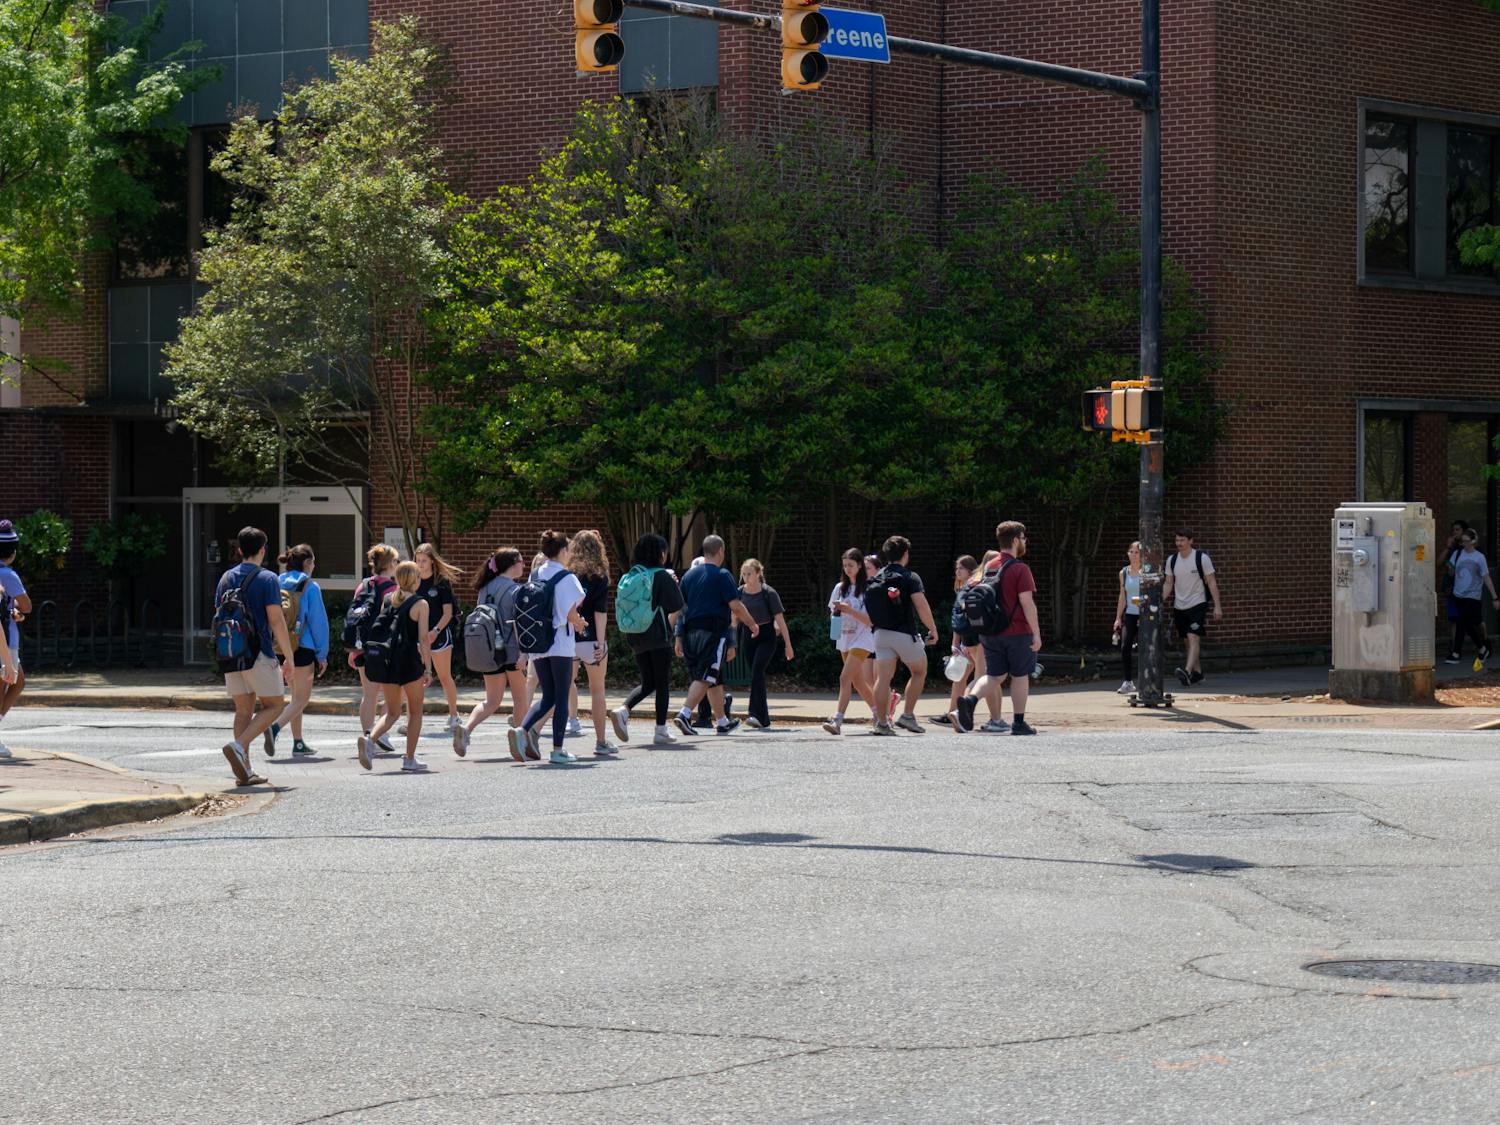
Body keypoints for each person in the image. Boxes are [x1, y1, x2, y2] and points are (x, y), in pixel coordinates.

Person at [215, 526, 294, 786]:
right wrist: (288, 658)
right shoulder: (268, 578)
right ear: (262, 550)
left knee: (243, 710)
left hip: (231, 652)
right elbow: (276, 620)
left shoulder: (226, 577)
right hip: (258, 652)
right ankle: (240, 746)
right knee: (275, 705)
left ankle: (245, 771)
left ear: (239, 550)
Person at [950, 521, 1042, 737]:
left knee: (994, 675)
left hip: (990, 631)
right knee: (1020, 675)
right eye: (1024, 537)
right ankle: (1019, 723)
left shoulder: (988, 567)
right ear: (1016, 540)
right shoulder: (1020, 568)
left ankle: (970, 701)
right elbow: (1027, 603)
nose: (1025, 541)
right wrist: (1036, 633)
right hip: (1017, 631)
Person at [510, 530, 588, 765]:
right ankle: (557, 749)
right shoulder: (567, 578)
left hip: (538, 643)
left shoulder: (535, 574)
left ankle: (521, 729)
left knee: (548, 696)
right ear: (563, 551)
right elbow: (570, 612)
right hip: (561, 644)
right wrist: (580, 623)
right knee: (560, 697)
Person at [672, 535, 759, 737]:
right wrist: (752, 623)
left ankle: (722, 721)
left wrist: (677, 637)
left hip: (690, 633)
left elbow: (679, 609)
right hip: (712, 633)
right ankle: (684, 714)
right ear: (720, 551)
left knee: (715, 678)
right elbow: (735, 605)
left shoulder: (689, 576)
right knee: (706, 675)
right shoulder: (722, 575)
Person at [454, 547, 530, 756]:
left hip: (489, 650)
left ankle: (466, 729)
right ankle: (519, 740)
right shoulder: (516, 590)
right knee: (520, 700)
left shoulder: (484, 588)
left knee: (491, 700)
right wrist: (525, 653)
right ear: (512, 565)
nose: (524, 564)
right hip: (512, 651)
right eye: (522, 561)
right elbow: (518, 625)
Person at [358, 561, 433, 772]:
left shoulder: (388, 599)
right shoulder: (421, 604)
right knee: (415, 712)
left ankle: (370, 740)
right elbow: (424, 639)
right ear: (415, 579)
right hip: (409, 662)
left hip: (387, 661)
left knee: (391, 712)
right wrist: (428, 668)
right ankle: (409, 759)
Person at [614, 533, 687, 746]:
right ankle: (661, 730)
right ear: (658, 553)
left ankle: (624, 709)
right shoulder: (660, 575)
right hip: (657, 635)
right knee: (662, 683)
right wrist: (672, 582)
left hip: (636, 636)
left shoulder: (632, 575)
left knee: (649, 682)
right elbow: (676, 605)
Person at [867, 535, 939, 735]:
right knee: (919, 671)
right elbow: (921, 606)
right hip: (904, 633)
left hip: (880, 633)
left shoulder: (876, 577)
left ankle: (881, 723)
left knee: (883, 678)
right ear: (905, 554)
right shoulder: (910, 577)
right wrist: (932, 628)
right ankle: (907, 715)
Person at [268, 544, 329, 756]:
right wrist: (322, 654)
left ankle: (298, 742)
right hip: (303, 647)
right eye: (313, 561)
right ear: (307, 563)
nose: (314, 566)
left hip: (281, 646)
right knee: (302, 699)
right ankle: (274, 728)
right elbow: (318, 622)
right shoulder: (310, 587)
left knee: (295, 697)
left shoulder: (276, 582)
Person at [569, 528, 620, 757]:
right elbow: (600, 612)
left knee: (560, 690)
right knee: (597, 691)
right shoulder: (600, 577)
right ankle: (600, 742)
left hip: (568, 639)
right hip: (590, 640)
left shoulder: (567, 575)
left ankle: (536, 734)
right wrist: (600, 642)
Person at [350, 544, 401, 757]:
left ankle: (368, 733)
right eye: (396, 562)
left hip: (362, 647)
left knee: (369, 695)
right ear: (390, 564)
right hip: (384, 649)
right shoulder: (392, 589)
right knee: (397, 694)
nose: (398, 565)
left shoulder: (363, 586)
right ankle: (377, 734)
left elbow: (355, 617)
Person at [822, 548, 879, 735]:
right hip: (844, 636)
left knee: (844, 678)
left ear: (860, 566)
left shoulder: (869, 588)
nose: (848, 569)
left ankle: (837, 720)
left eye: (851, 565)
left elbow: (870, 620)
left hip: (863, 637)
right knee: (858, 681)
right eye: (845, 565)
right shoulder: (840, 588)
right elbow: (832, 612)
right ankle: (880, 715)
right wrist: (836, 613)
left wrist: (849, 610)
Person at [737, 558, 794, 730]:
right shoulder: (740, 592)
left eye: (750, 574)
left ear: (758, 574)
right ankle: (763, 718)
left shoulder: (768, 593)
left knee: (756, 672)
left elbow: (781, 621)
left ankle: (754, 713)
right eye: (744, 574)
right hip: (748, 635)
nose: (746, 578)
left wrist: (788, 645)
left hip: (766, 635)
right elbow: (733, 617)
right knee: (757, 676)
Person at [1163, 529, 1222, 687]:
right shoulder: (1172, 560)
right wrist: (1159, 600)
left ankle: (1187, 672)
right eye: (1177, 541)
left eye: (1182, 540)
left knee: (1193, 636)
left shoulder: (1201, 558)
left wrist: (1217, 606)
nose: (1179, 544)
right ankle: (1198, 674)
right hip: (1180, 605)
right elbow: (1169, 583)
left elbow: (1211, 582)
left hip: (1198, 603)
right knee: (1188, 642)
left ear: (1191, 541)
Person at [414, 542, 463, 732]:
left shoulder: (441, 581)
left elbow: (448, 613)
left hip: (439, 636)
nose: (420, 564)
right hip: (419, 638)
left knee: (444, 676)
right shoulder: (414, 580)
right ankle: (412, 717)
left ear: (432, 561)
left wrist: (435, 631)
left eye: (424, 560)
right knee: (416, 678)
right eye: (418, 560)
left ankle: (453, 715)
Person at [935, 555, 981, 727]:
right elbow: (957, 621)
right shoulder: (962, 589)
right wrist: (955, 643)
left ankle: (959, 712)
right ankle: (955, 712)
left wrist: (957, 642)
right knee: (963, 677)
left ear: (970, 570)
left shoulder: (972, 588)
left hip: (973, 641)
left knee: (982, 677)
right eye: (956, 568)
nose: (957, 571)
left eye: (961, 568)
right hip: (966, 641)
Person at [0, 520, 31, 758]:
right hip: (6, 638)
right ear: (12, 553)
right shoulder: (9, 575)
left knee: (16, 682)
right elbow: (27, 606)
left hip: (7, 632)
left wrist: (11, 611)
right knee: (8, 683)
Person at [1448, 529, 1497, 664]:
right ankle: (1481, 648)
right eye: (1462, 541)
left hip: (1473, 595)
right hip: (1458, 594)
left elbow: (1486, 577)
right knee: (1464, 623)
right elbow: (1451, 571)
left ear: (1473, 541)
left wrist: (1494, 597)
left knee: (1463, 620)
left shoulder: (1479, 557)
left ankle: (1456, 653)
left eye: (1466, 541)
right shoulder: (1457, 553)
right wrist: (1451, 569)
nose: (1463, 543)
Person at [1112, 541, 1143, 695]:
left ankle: (1146, 679)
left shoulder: (1147, 572)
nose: (1134, 555)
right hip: (1130, 614)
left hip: (1145, 615)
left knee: (1145, 648)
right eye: (1131, 551)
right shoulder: (1123, 573)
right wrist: (1118, 617)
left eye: (1137, 552)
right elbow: (1123, 596)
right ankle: (1128, 681)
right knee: (1125, 646)